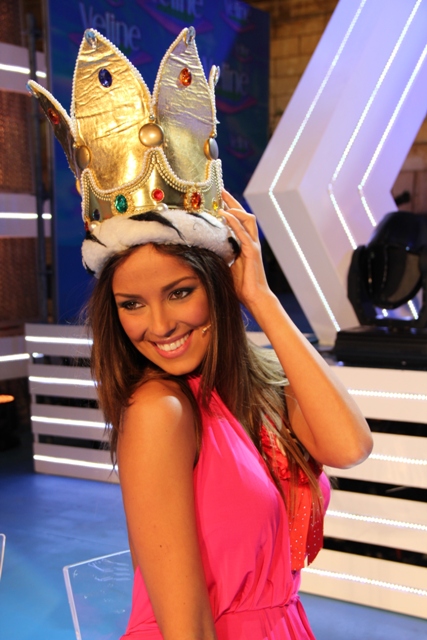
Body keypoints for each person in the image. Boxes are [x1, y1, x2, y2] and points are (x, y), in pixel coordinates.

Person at [29, 26, 373, 640]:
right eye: (132, 304)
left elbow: (349, 446)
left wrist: (262, 298)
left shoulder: (256, 391)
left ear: (218, 284)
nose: (159, 326)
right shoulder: (159, 411)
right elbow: (185, 625)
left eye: (180, 292)